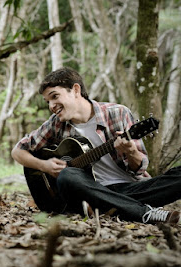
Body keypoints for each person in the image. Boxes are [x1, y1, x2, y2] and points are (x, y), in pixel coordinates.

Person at [12, 67, 181, 225]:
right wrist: (45, 166)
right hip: (86, 192)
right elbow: (18, 151)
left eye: (55, 96)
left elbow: (139, 168)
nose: (51, 106)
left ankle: (115, 207)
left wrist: (130, 151)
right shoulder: (56, 124)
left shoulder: (118, 113)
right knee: (67, 175)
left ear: (76, 90)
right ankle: (144, 212)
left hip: (128, 189)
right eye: (47, 101)